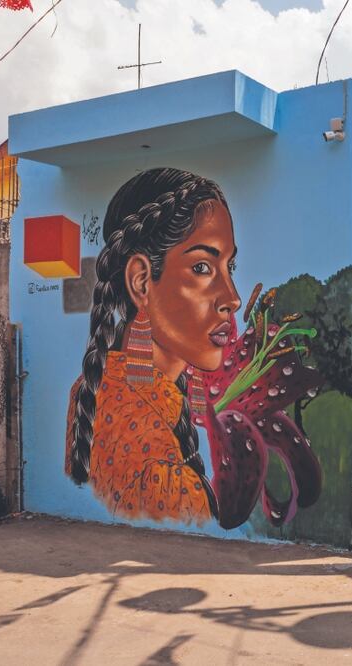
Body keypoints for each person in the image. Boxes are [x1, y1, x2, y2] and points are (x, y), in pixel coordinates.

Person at [65, 167, 241, 525]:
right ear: (142, 282)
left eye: (230, 266)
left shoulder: (97, 387)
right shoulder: (162, 480)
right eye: (204, 267)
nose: (233, 299)